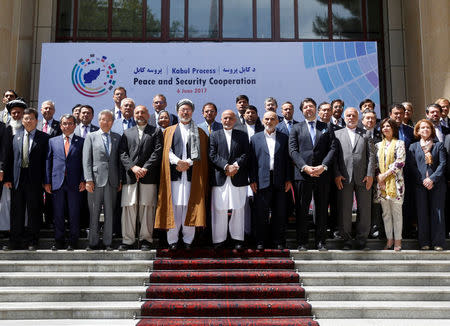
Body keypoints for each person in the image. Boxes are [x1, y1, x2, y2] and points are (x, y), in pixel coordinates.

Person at [155, 99, 209, 250]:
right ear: (178, 112)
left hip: (192, 176)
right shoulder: (169, 131)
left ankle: (187, 241)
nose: (185, 112)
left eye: (188, 110)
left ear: (192, 112)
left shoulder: (200, 132)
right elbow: (166, 151)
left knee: (189, 207)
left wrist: (188, 163)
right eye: (182, 110)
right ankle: (172, 240)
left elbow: (202, 154)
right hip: (174, 174)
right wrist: (178, 162)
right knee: (174, 206)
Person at [289, 98, 336, 251]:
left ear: (316, 109)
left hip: (322, 174)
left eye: (311, 106)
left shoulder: (326, 127)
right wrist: (304, 167)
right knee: (302, 209)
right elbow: (293, 151)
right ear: (302, 110)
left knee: (322, 209)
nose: (309, 109)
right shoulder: (296, 128)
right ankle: (302, 242)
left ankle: (320, 242)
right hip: (303, 175)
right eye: (306, 107)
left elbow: (332, 149)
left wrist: (323, 166)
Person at [3, 108, 49, 251]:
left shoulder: (44, 138)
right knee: (16, 211)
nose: (28, 121)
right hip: (17, 180)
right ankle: (14, 241)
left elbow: (47, 161)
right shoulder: (15, 136)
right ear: (22, 121)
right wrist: (8, 178)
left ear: (36, 121)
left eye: (31, 119)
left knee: (34, 211)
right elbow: (9, 159)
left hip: (35, 180)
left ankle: (32, 241)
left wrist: (46, 180)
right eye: (25, 119)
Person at [118, 105, 163, 251]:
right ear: (134, 115)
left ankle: (146, 239)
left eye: (143, 112)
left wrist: (144, 168)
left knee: (147, 207)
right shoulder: (126, 133)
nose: (140, 115)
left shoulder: (155, 131)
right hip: (130, 176)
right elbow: (122, 153)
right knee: (129, 208)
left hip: (148, 175)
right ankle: (128, 240)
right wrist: (133, 167)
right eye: (137, 112)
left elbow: (157, 151)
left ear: (148, 115)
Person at [334, 107, 375, 250]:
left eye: (353, 115)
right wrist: (337, 174)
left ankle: (362, 239)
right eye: (348, 115)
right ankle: (346, 240)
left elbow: (371, 156)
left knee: (364, 209)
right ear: (344, 118)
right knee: (345, 209)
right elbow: (334, 157)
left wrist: (370, 174)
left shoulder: (366, 134)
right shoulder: (337, 134)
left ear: (358, 117)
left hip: (363, 177)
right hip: (344, 177)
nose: (351, 118)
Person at [250, 111, 292, 250]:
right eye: (266, 119)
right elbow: (253, 162)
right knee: (261, 213)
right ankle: (260, 241)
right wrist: (253, 180)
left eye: (272, 119)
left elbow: (288, 161)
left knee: (279, 212)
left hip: (280, 180)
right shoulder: (255, 139)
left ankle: (278, 241)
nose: (269, 121)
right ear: (262, 121)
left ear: (277, 121)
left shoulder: (284, 138)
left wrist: (288, 179)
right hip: (262, 180)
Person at [209, 110, 249, 250]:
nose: (227, 120)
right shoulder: (214, 135)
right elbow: (212, 155)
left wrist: (235, 166)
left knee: (238, 208)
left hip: (238, 176)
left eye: (230, 118)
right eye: (225, 118)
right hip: (220, 176)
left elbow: (246, 153)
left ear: (235, 120)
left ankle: (237, 239)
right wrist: (226, 166)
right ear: (221, 119)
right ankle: (219, 240)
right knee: (219, 209)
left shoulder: (243, 135)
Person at [82, 110, 122, 250]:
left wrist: (120, 180)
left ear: (113, 122)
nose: (106, 122)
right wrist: (88, 179)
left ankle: (107, 242)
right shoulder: (91, 137)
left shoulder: (117, 137)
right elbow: (86, 160)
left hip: (112, 181)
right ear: (99, 121)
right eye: (104, 120)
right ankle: (93, 242)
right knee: (94, 212)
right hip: (95, 180)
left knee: (110, 212)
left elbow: (119, 161)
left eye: (109, 120)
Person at [45, 114, 85, 250]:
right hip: (57, 182)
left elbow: (85, 163)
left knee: (74, 213)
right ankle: (59, 240)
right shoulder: (53, 141)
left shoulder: (82, 141)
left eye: (70, 123)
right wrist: (47, 181)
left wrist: (83, 180)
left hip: (75, 183)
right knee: (58, 213)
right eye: (64, 124)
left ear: (75, 125)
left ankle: (73, 241)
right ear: (61, 126)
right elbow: (48, 162)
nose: (67, 126)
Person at [408, 119, 446, 251]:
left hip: (437, 184)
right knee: (422, 214)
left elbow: (442, 164)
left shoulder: (438, 145)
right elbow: (412, 166)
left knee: (438, 213)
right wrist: (423, 180)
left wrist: (433, 179)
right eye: (422, 128)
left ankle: (438, 243)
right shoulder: (413, 147)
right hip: (420, 185)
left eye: (428, 128)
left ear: (432, 130)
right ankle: (424, 242)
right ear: (417, 131)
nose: (425, 130)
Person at [374, 118, 406, 251]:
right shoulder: (377, 146)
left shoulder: (399, 143)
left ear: (393, 129)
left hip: (396, 184)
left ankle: (398, 241)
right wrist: (379, 178)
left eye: (388, 126)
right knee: (386, 214)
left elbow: (400, 162)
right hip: (381, 185)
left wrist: (384, 175)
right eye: (384, 126)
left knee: (397, 213)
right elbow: (375, 165)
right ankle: (389, 240)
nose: (386, 128)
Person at [389, 103, 416, 238]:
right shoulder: (385, 129)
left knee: (407, 202)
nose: (398, 116)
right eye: (396, 113)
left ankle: (406, 230)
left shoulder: (411, 131)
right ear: (391, 115)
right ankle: (390, 232)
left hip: (407, 172)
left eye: (401, 113)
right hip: (389, 173)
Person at [37, 100, 62, 229]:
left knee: (50, 194)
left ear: (54, 111)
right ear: (41, 110)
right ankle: (38, 221)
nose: (47, 111)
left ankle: (49, 221)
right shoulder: (36, 124)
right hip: (36, 166)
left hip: (52, 166)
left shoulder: (59, 126)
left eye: (50, 108)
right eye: (45, 108)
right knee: (36, 195)